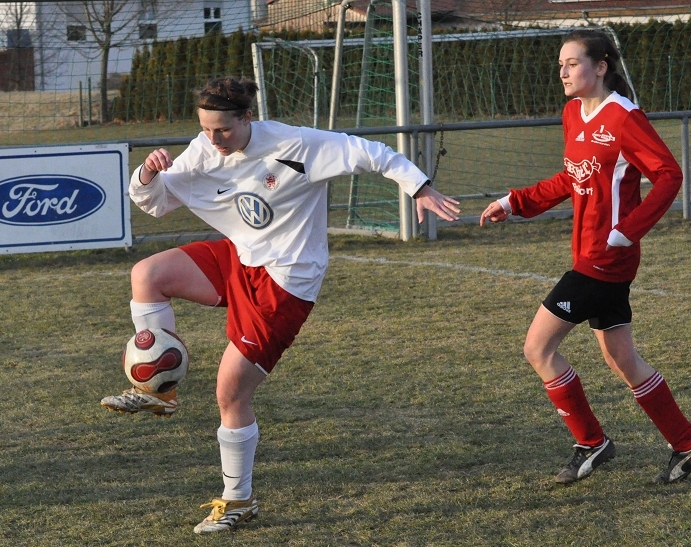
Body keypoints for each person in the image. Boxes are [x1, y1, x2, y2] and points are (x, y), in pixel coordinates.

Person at [100, 76, 461, 533]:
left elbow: (373, 154)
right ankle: (159, 391)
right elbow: (154, 203)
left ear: (248, 117)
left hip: (287, 280)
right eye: (205, 129)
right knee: (147, 275)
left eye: (223, 130)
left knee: (231, 394)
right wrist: (147, 174)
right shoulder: (206, 148)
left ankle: (239, 501)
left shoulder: (296, 144)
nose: (213, 139)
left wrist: (420, 187)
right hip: (241, 257)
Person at [480, 29, 691, 485]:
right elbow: (572, 177)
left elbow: (669, 175)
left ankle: (591, 442)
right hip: (590, 253)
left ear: (600, 67)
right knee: (623, 360)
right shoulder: (573, 113)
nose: (563, 72)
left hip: (604, 259)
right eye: (561, 64)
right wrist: (516, 202)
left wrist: (626, 231)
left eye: (572, 63)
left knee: (538, 348)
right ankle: (687, 445)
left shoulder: (624, 118)